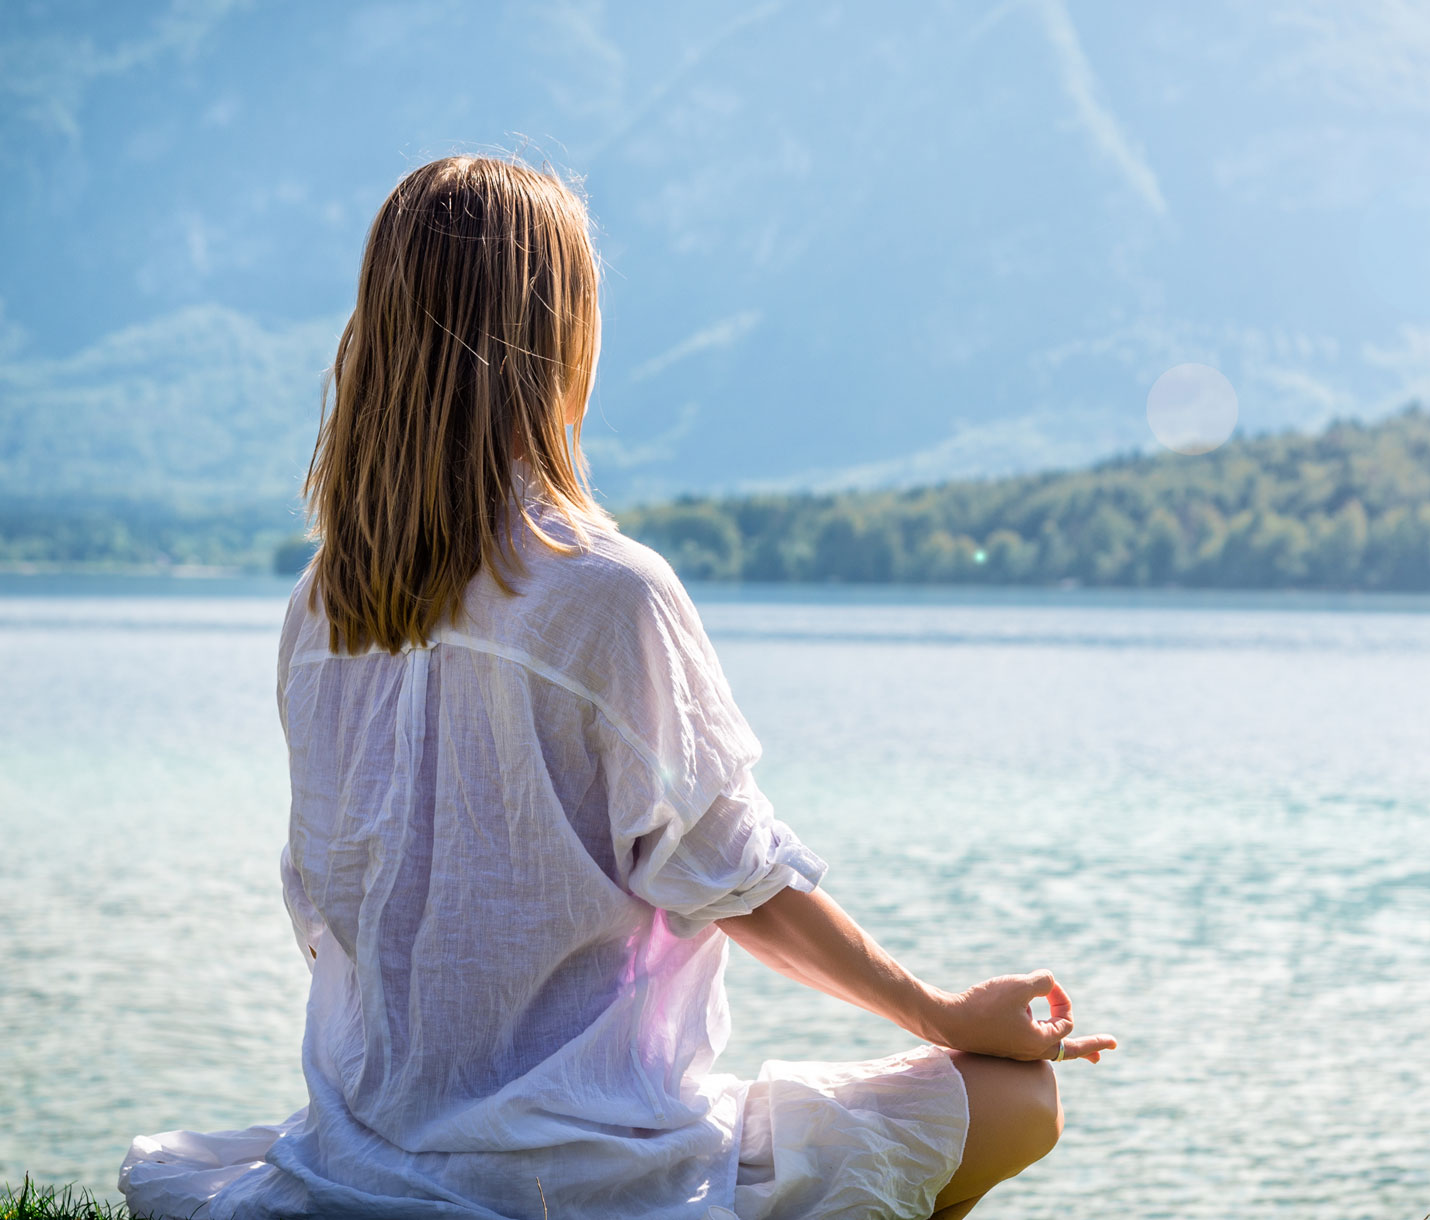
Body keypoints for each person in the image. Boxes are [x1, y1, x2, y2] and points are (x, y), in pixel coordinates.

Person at [118, 156, 1116, 1220]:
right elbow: (738, 879)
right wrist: (942, 1012)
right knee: (1018, 1096)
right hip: (596, 1176)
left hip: (362, 1161)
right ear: (557, 343)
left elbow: (323, 907)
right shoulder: (607, 592)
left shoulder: (324, 603)